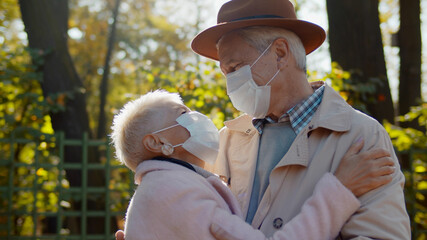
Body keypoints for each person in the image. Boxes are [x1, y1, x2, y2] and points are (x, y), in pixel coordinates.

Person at [189, 0, 411, 239]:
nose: (230, 83)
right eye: (226, 73)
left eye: (236, 67)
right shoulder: (226, 142)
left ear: (280, 53)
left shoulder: (359, 135)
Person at [112, 90, 394, 240]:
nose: (195, 116)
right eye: (182, 113)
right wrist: (339, 190)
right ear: (156, 143)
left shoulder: (160, 188)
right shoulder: (178, 191)